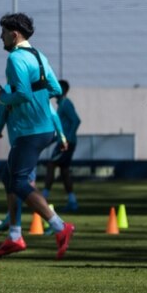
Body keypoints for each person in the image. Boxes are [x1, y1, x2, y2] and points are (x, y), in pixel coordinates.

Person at [0, 12, 75, 260]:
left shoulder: (15, 59)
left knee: (18, 182)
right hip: (44, 128)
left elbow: (23, 95)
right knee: (9, 175)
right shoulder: (38, 55)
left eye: (3, 32)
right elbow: (55, 89)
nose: (0, 37)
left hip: (30, 132)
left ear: (14, 34)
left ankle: (60, 227)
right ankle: (14, 236)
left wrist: (2, 98)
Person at [44, 79, 81, 212]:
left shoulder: (66, 104)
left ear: (63, 90)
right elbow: (62, 127)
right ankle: (72, 201)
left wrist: (68, 139)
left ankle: (43, 197)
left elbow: (76, 121)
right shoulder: (61, 105)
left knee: (51, 165)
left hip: (66, 143)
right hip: (64, 142)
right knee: (64, 172)